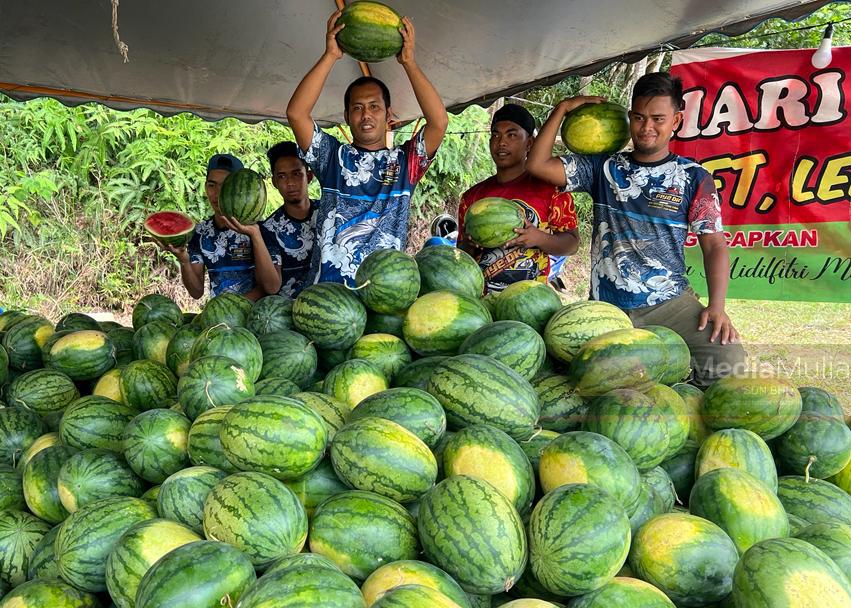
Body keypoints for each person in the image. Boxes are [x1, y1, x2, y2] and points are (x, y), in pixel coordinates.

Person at [525, 73, 745, 386]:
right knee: (594, 385)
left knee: (730, 365)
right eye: (639, 117)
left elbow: (715, 246)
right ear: (630, 117)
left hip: (670, 302)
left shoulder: (694, 178)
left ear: (676, 120)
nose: (647, 128)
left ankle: (685, 395)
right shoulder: (603, 168)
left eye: (658, 118)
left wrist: (718, 307)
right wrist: (562, 109)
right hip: (608, 308)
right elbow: (537, 164)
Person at [286, 11, 448, 286]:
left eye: (375, 107)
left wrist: (408, 62)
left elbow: (439, 121)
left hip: (385, 292)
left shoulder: (405, 163)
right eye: (357, 108)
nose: (366, 115)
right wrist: (330, 56)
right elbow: (296, 113)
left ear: (388, 115)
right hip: (329, 291)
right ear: (347, 117)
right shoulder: (332, 158)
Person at [458, 103, 579, 293]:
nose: (501, 142)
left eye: (511, 135)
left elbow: (572, 244)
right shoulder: (472, 198)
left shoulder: (552, 189)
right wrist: (468, 244)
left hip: (531, 301)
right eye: (495, 135)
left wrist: (538, 238)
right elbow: (462, 257)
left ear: (530, 143)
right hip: (482, 303)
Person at [159, 153, 281, 300]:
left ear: (237, 189)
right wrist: (184, 261)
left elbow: (272, 287)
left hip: (256, 316)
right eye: (212, 185)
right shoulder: (200, 233)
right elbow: (196, 292)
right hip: (219, 319)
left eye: (225, 185)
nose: (216, 193)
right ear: (205, 187)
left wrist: (255, 236)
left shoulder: (263, 229)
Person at [259, 142, 319, 298]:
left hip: (330, 305)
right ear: (274, 183)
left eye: (296, 174)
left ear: (309, 176)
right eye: (282, 176)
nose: (290, 183)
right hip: (288, 312)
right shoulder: (269, 229)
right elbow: (272, 287)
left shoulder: (328, 214)